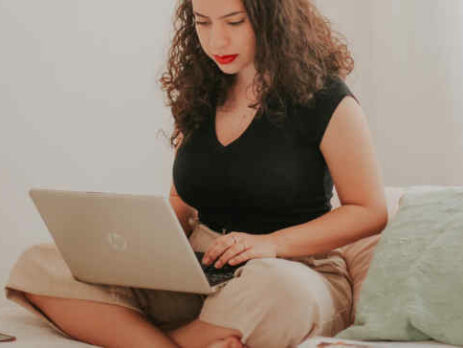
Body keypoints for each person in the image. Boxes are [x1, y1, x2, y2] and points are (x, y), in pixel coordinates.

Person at [5, 0, 389, 347]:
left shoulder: (326, 99)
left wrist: (271, 243)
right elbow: (183, 201)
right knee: (42, 263)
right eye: (202, 23)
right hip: (199, 270)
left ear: (274, 19)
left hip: (293, 268)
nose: (215, 39)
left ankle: (146, 339)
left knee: (280, 293)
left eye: (234, 22)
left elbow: (369, 210)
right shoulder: (202, 92)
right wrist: (142, 243)